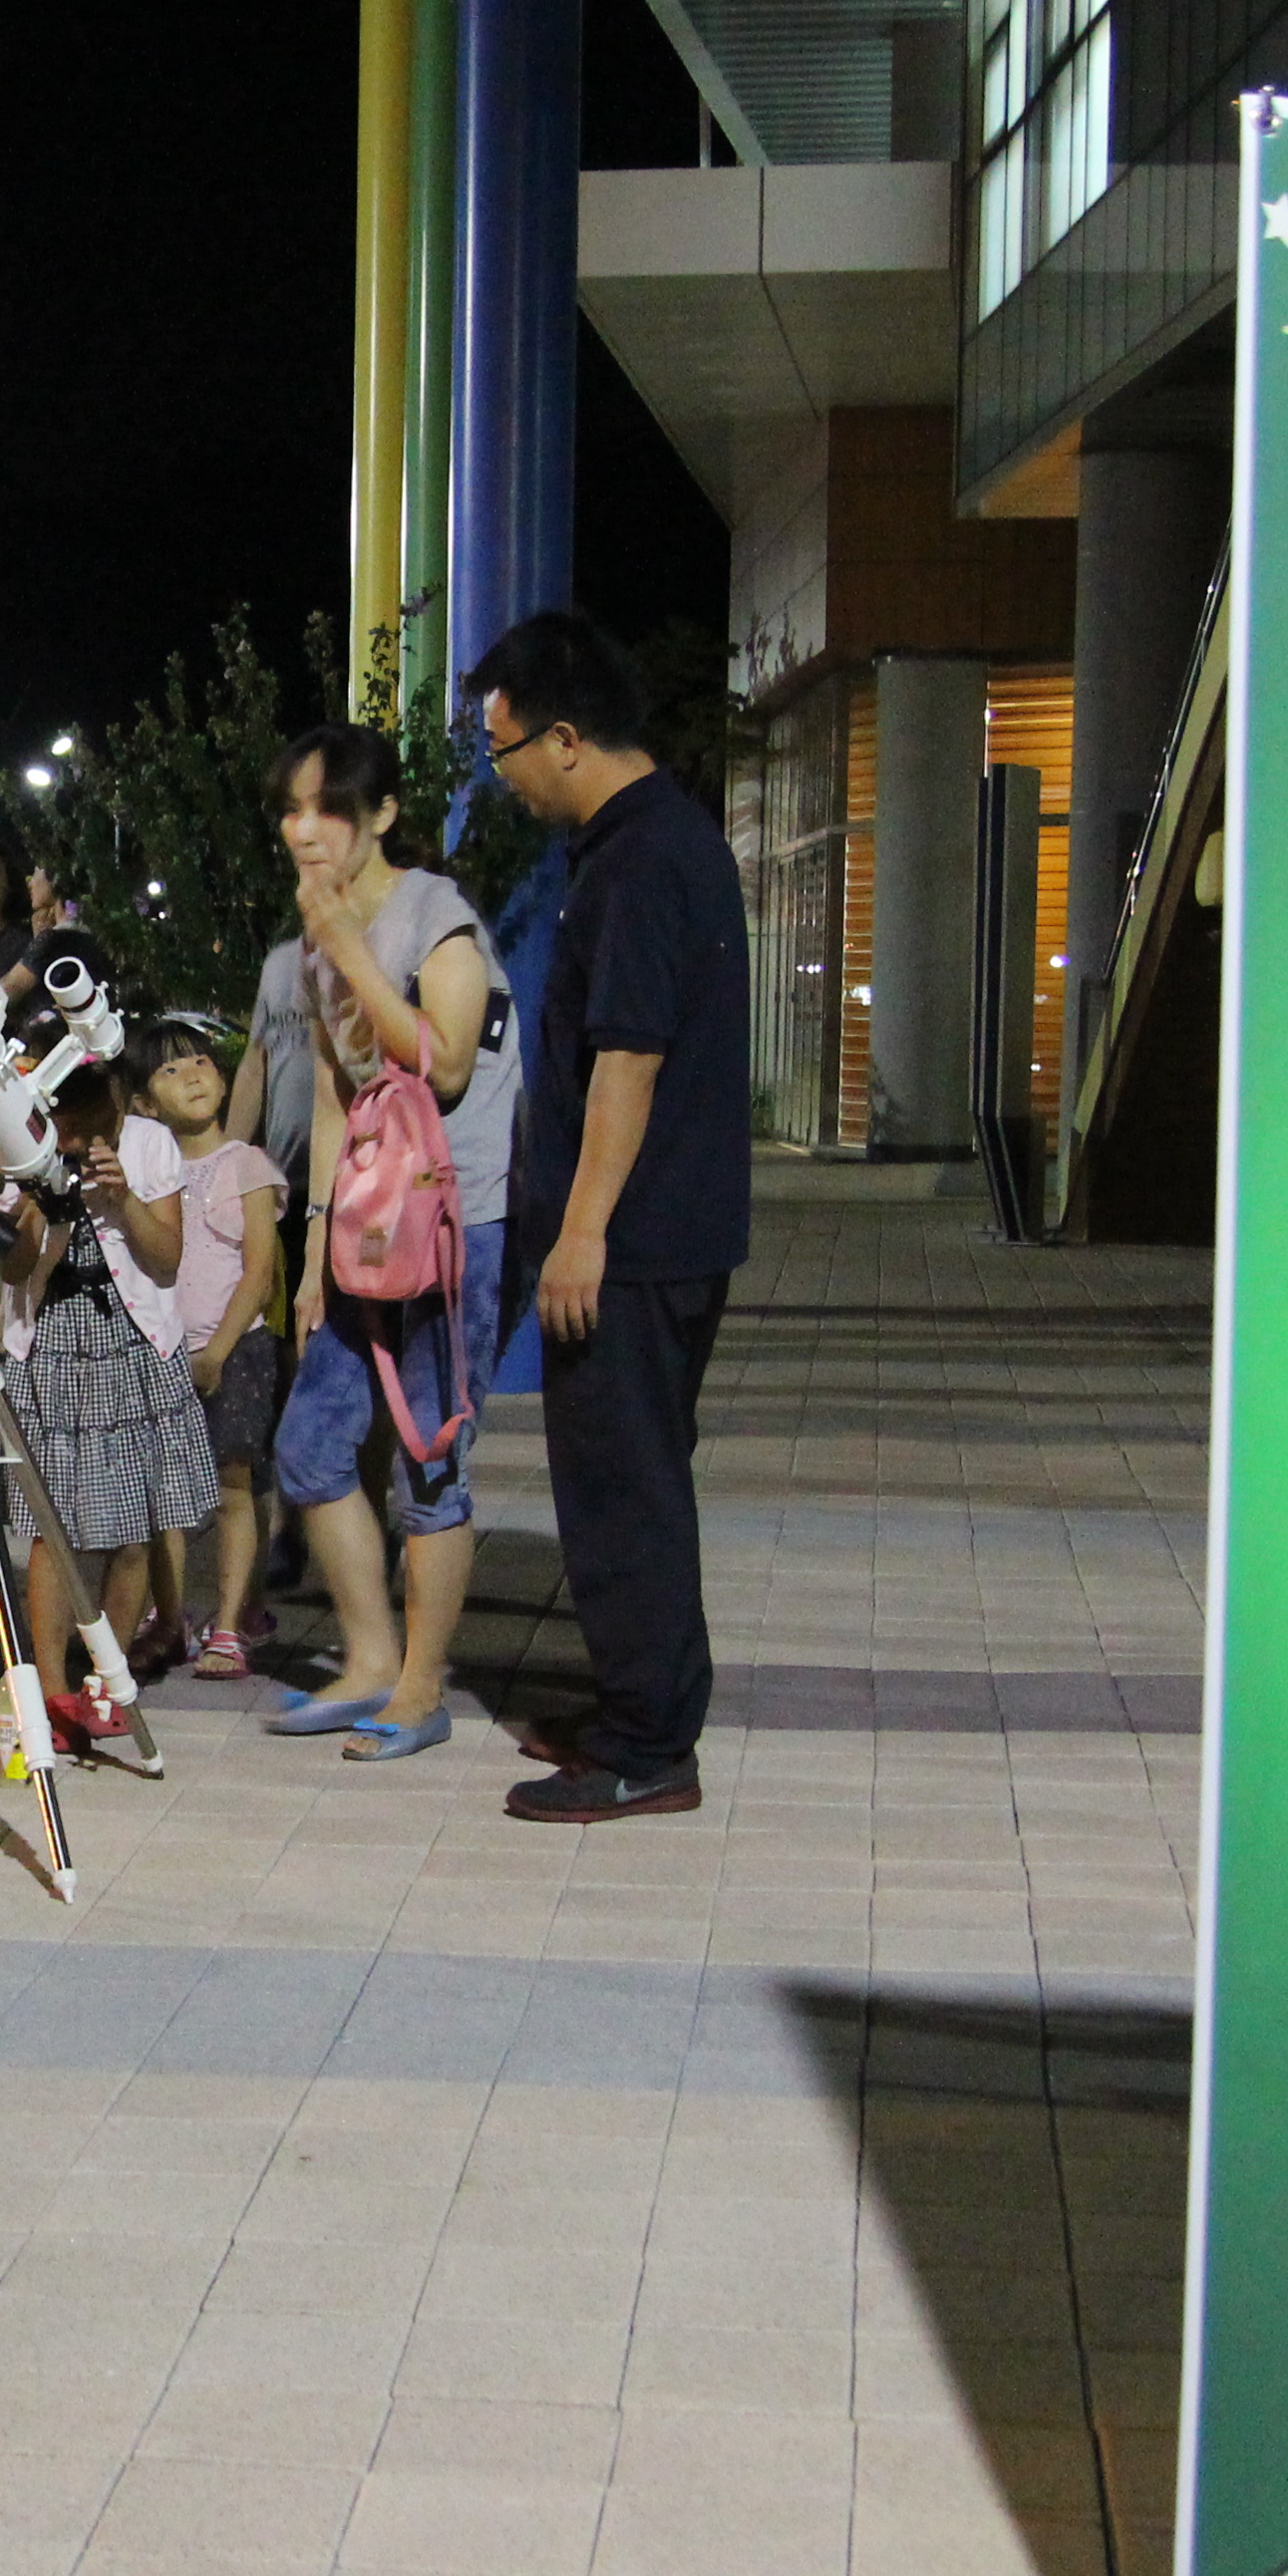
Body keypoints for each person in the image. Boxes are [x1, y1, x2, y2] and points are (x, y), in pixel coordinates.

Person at [479, 607, 757, 1824]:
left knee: (622, 1488)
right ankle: (641, 1708)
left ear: (568, 737)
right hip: (667, 1233)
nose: (505, 777)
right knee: (639, 1477)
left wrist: (580, 1228)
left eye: (505, 750)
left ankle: (649, 1746)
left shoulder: (642, 861)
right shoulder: (664, 841)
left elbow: (628, 1060)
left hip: (633, 1244)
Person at [259, 721, 515, 1763]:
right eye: (291, 808)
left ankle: (421, 1685)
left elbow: (443, 1062)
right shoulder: (317, 938)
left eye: (328, 807)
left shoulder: (436, 919)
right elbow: (333, 1088)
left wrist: (353, 947)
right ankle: (367, 1659)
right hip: (365, 1223)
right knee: (310, 1446)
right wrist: (316, 1246)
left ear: (382, 817)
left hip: (455, 1221)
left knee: (429, 1459)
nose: (304, 829)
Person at [0, 1052, 205, 1755]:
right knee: (47, 1524)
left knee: (135, 1522)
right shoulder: (18, 1143)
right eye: (62, 1121)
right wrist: (37, 1198)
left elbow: (167, 1259)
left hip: (132, 1340)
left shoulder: (150, 1143)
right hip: (51, 1343)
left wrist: (122, 1199)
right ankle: (52, 1688)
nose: (76, 1139)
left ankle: (109, 1682)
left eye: (88, 1124)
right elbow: (14, 1267)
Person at [129, 1018, 284, 1678]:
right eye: (170, 1069)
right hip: (164, 1348)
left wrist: (218, 1349)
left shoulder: (244, 1163)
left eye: (201, 1061)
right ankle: (169, 1618)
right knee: (162, 1492)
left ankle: (229, 1624)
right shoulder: (147, 1172)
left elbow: (260, 1270)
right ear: (140, 1104)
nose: (194, 1073)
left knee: (234, 1486)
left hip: (235, 1349)